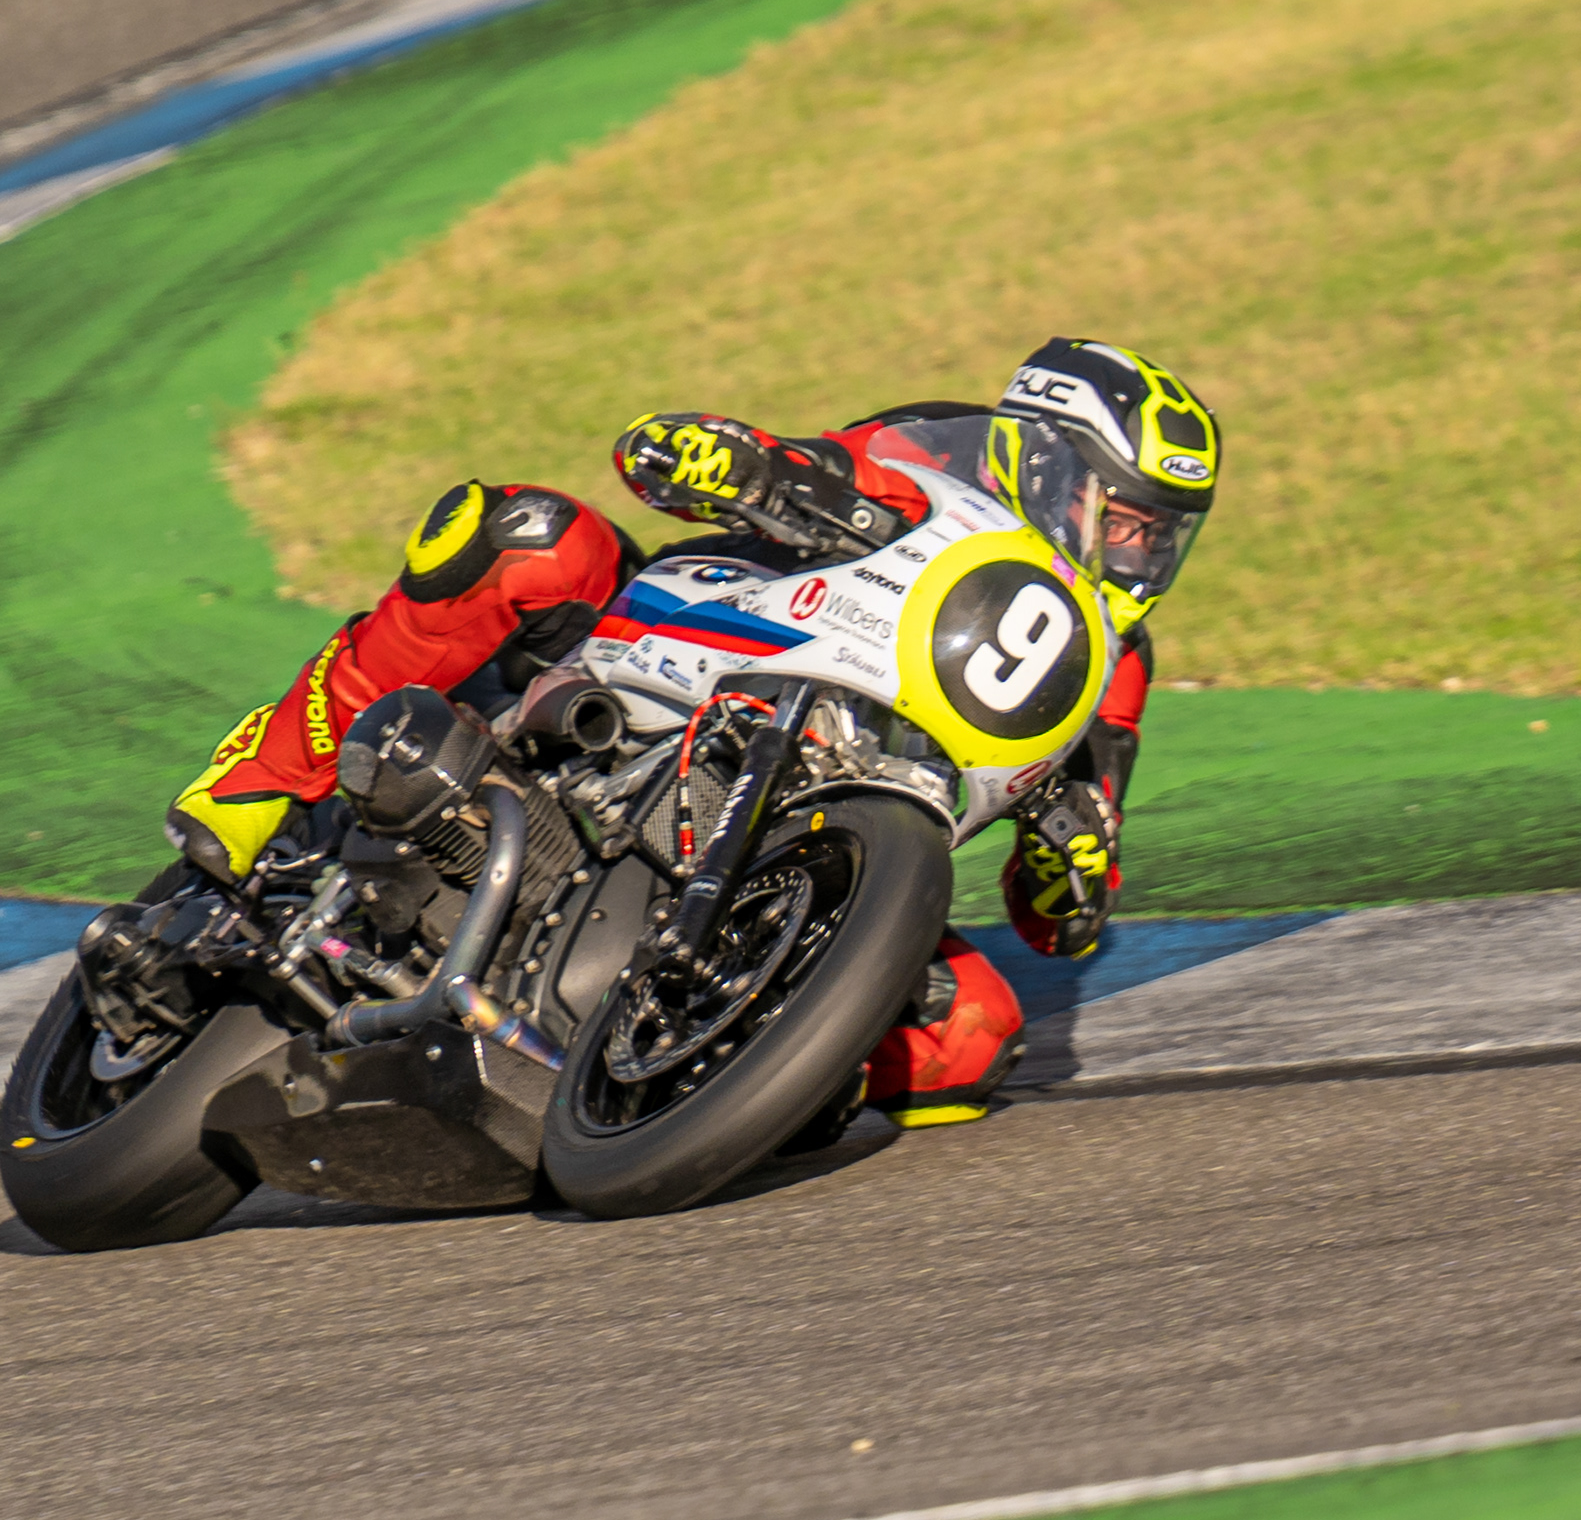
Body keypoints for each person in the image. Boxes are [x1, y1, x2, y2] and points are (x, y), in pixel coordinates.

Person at [167, 338, 1224, 1127]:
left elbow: (1059, 925)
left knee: (973, 1032)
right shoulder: (927, 451)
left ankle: (700, 1082)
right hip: (682, 661)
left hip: (834, 817)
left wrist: (1076, 859)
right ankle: (260, 785)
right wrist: (733, 463)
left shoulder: (1112, 665)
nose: (1141, 556)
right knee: (524, 534)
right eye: (1128, 519)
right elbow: (781, 472)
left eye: (1163, 536)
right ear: (1051, 466)